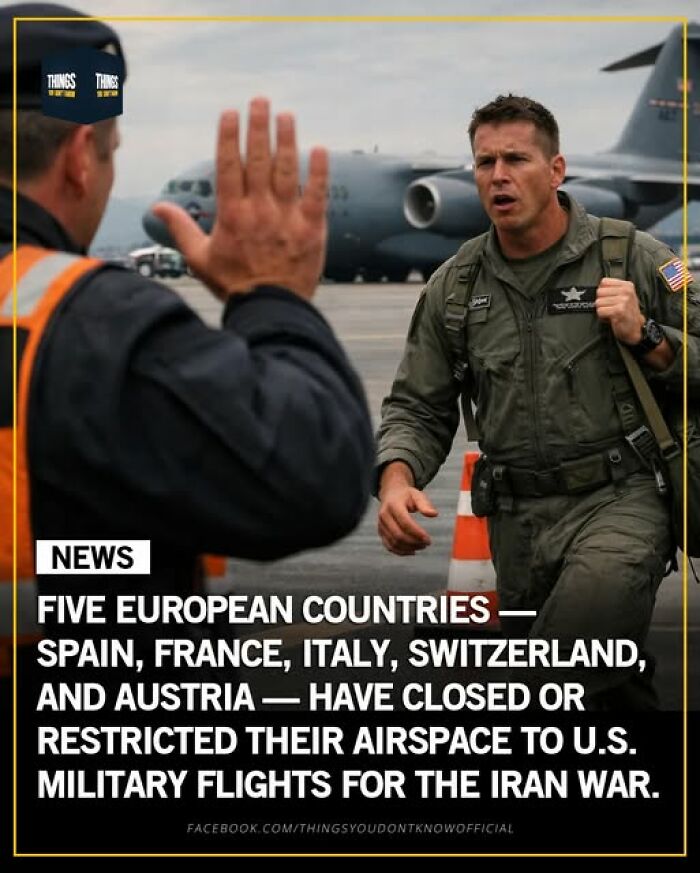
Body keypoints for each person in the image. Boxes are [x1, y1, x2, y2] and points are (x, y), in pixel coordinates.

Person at [0, 4, 374, 674]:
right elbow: (313, 472)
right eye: (112, 152)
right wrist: (271, 296)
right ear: (81, 157)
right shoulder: (88, 327)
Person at [376, 94, 699, 709]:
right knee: (601, 693)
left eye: (517, 159)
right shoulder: (456, 286)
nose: (498, 176)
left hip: (620, 501)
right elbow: (417, 405)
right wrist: (396, 481)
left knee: (556, 675)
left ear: (556, 171)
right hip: (517, 527)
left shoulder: (634, 257)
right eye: (485, 162)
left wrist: (651, 338)